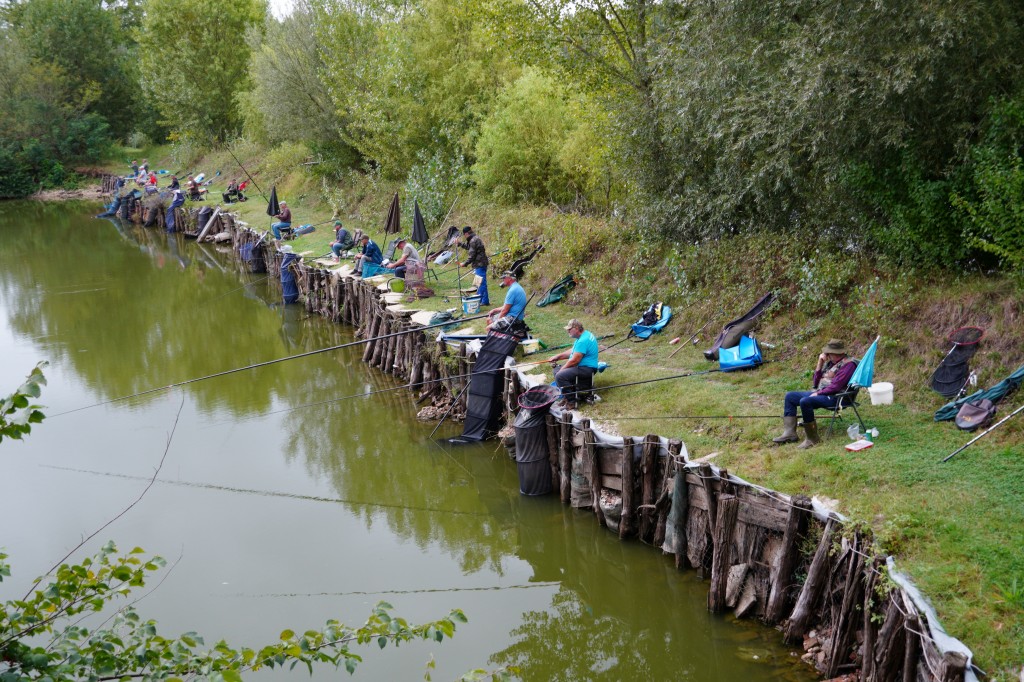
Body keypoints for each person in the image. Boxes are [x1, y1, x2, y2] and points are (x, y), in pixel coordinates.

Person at [774, 339, 858, 449]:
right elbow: (816, 383)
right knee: (790, 396)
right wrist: (820, 363)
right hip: (823, 393)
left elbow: (836, 387)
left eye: (828, 353)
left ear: (836, 353)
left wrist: (818, 394)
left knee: (806, 401)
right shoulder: (831, 363)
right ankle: (790, 434)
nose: (826, 355)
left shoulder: (848, 365)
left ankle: (812, 439)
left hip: (837, 398)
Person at [550, 318, 600, 409]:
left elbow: (574, 361)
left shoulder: (583, 340)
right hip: (584, 367)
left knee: (560, 375)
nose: (568, 331)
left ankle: (571, 402)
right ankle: (567, 395)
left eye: (569, 329)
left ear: (576, 328)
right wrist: (558, 356)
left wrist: (563, 369)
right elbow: (573, 351)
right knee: (556, 370)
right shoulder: (585, 335)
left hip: (587, 368)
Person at [459, 225, 489, 305]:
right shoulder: (474, 238)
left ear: (466, 234)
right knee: (481, 282)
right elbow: (470, 247)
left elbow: (471, 255)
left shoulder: (473, 240)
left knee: (481, 283)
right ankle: (484, 300)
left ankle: (482, 300)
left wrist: (464, 264)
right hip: (481, 263)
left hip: (480, 264)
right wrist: (460, 244)